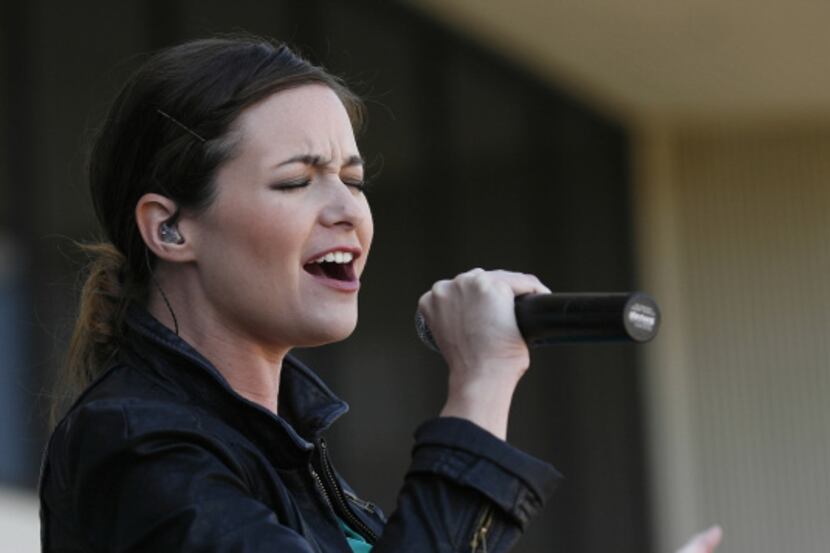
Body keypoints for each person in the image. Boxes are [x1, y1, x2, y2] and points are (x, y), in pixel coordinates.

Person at [39, 36, 722, 553]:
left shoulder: (279, 449)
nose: (349, 211)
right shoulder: (137, 447)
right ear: (170, 227)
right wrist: (481, 381)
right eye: (296, 181)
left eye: (353, 178)